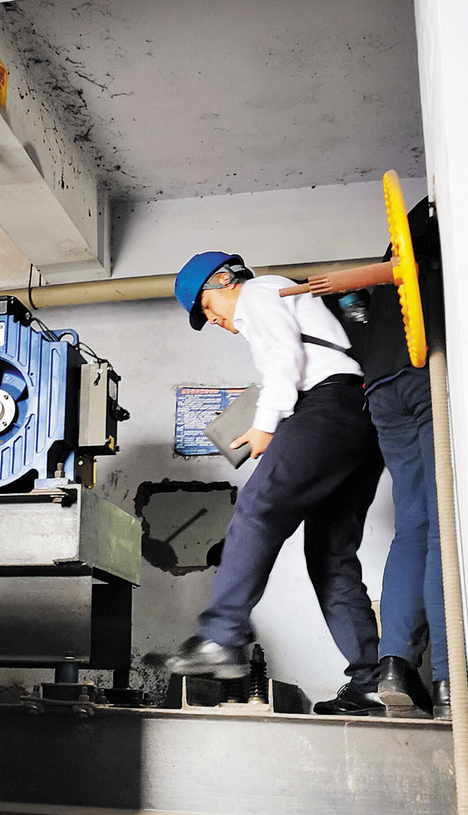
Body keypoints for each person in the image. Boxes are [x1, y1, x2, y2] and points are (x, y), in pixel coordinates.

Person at [146, 251, 385, 715]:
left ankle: (222, 636)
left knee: (258, 507)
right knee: (330, 555)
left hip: (327, 405)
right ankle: (371, 684)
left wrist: (265, 424)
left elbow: (283, 356)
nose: (212, 320)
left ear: (224, 281)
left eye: (206, 308)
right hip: (359, 415)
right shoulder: (278, 297)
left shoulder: (258, 290)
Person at [364, 198, 449, 720]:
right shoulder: (447, 239)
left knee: (412, 529)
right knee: (442, 528)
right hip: (426, 368)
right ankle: (447, 681)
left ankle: (394, 665)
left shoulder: (392, 255)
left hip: (380, 387)